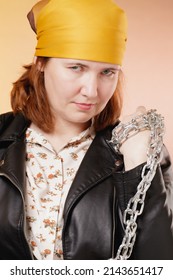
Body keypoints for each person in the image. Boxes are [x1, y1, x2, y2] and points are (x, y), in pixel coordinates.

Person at [0, 0, 173, 260]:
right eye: (76, 67)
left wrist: (137, 163)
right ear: (41, 63)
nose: (92, 91)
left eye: (107, 72)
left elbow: (158, 266)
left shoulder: (142, 151)